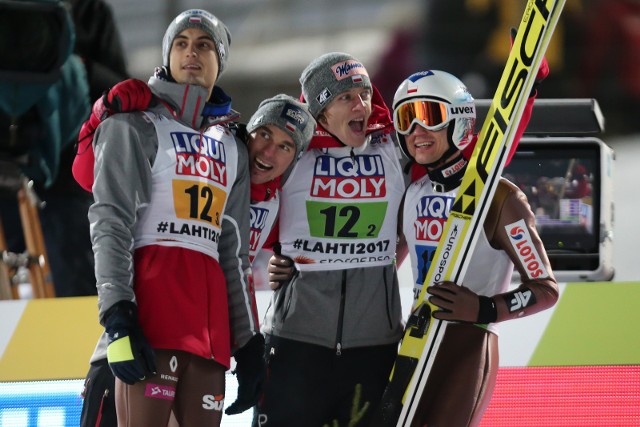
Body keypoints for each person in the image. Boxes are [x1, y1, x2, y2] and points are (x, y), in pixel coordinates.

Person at [77, 86, 316, 425]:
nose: (268, 151)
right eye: (263, 134)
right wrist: (100, 116)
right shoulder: (201, 162)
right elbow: (97, 188)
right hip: (137, 339)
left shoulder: (279, 202)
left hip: (201, 350)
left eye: (285, 146)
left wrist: (250, 343)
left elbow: (244, 266)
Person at [86, 9, 264, 426]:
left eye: (204, 45)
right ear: (167, 55)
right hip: (149, 324)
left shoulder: (232, 147)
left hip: (209, 339)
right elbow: (110, 222)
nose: (191, 53)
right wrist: (117, 316)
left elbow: (233, 254)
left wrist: (248, 341)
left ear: (220, 61)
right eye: (180, 44)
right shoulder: (133, 125)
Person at [392, 69, 559, 426]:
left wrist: (484, 308)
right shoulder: (413, 193)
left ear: (459, 122)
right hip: (415, 342)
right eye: (406, 119)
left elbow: (545, 290)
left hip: (469, 346)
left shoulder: (500, 197)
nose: (416, 131)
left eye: (429, 116)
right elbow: (380, 264)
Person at [254, 52, 407, 427]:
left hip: (374, 346)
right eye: (346, 97)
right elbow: (253, 214)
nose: (363, 106)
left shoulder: (393, 148)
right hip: (295, 343)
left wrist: (385, 267)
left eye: (365, 94)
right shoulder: (291, 153)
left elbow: (465, 158)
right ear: (321, 112)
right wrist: (280, 255)